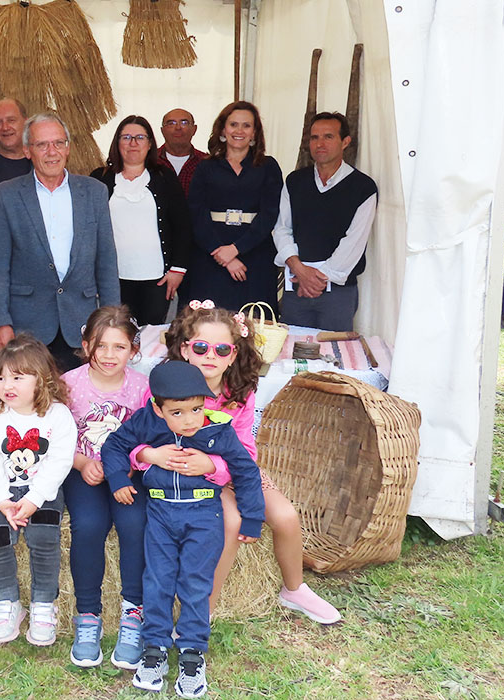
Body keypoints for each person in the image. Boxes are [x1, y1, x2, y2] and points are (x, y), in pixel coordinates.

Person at [160, 301, 342, 625]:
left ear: (233, 354)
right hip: (190, 476)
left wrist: (216, 466)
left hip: (235, 470)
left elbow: (245, 449)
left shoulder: (240, 391)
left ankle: (294, 589)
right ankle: (202, 611)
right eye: (201, 348)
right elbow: (155, 439)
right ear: (186, 350)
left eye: (221, 349)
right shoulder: (169, 390)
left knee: (285, 515)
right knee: (228, 523)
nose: (210, 356)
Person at [101, 360, 264, 698]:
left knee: (194, 582)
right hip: (160, 513)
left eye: (196, 408)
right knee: (157, 579)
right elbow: (113, 445)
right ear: (158, 409)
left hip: (204, 514)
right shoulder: (146, 422)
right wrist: (118, 479)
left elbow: (246, 470)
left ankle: (192, 653)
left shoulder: (218, 428)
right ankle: (154, 647)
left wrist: (251, 517)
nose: (190, 419)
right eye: (178, 412)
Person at [0, 112, 121, 372]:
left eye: (58, 143)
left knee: (78, 403)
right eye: (42, 145)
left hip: (81, 322)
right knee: (29, 401)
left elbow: (106, 261)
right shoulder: (6, 195)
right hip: (27, 324)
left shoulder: (94, 192)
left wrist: (111, 321)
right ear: (28, 150)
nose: (51, 152)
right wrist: (1, 322)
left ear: (68, 148)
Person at [60, 307, 152, 669]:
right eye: (102, 346)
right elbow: (55, 436)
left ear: (133, 350)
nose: (110, 355)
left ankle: (133, 611)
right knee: (88, 525)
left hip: (129, 475)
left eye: (120, 347)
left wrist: (129, 467)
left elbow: (151, 438)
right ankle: (87, 614)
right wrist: (83, 463)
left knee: (135, 524)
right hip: (83, 472)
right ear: (86, 346)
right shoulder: (68, 385)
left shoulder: (143, 388)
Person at [0, 334, 76, 646]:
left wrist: (33, 499)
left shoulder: (58, 416)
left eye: (17, 377)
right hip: (1, 492)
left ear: (41, 381)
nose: (7, 385)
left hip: (42, 491)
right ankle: (6, 603)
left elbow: (59, 461)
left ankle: (43, 604)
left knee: (44, 539)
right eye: (1, 377)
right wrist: (2, 501)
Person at [272, 112, 377, 332]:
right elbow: (282, 228)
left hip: (337, 293)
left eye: (328, 137)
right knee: (292, 352)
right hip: (296, 285)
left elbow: (354, 242)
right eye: (314, 137)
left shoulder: (363, 187)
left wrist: (317, 279)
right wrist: (299, 269)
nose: (320, 144)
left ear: (345, 142)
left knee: (335, 356)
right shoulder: (295, 181)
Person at [184, 101, 284, 314]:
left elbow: (269, 215)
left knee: (256, 324)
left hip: (255, 256)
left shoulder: (268, 167)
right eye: (233, 124)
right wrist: (220, 253)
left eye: (246, 126)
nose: (239, 131)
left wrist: (236, 249)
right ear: (222, 129)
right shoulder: (205, 167)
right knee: (208, 323)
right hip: (211, 256)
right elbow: (196, 214)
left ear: (255, 132)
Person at [90, 116, 191, 326]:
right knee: (116, 332)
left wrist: (177, 270)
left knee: (149, 336)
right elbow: (88, 229)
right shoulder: (100, 179)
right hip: (112, 279)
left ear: (150, 143)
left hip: (156, 278)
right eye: (126, 137)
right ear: (117, 143)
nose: (133, 143)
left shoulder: (164, 177)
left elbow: (182, 226)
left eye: (139, 137)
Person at [158, 108, 207, 196]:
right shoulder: (150, 161)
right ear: (162, 131)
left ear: (194, 129)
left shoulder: (207, 163)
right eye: (171, 123)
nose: (178, 128)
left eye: (184, 123)